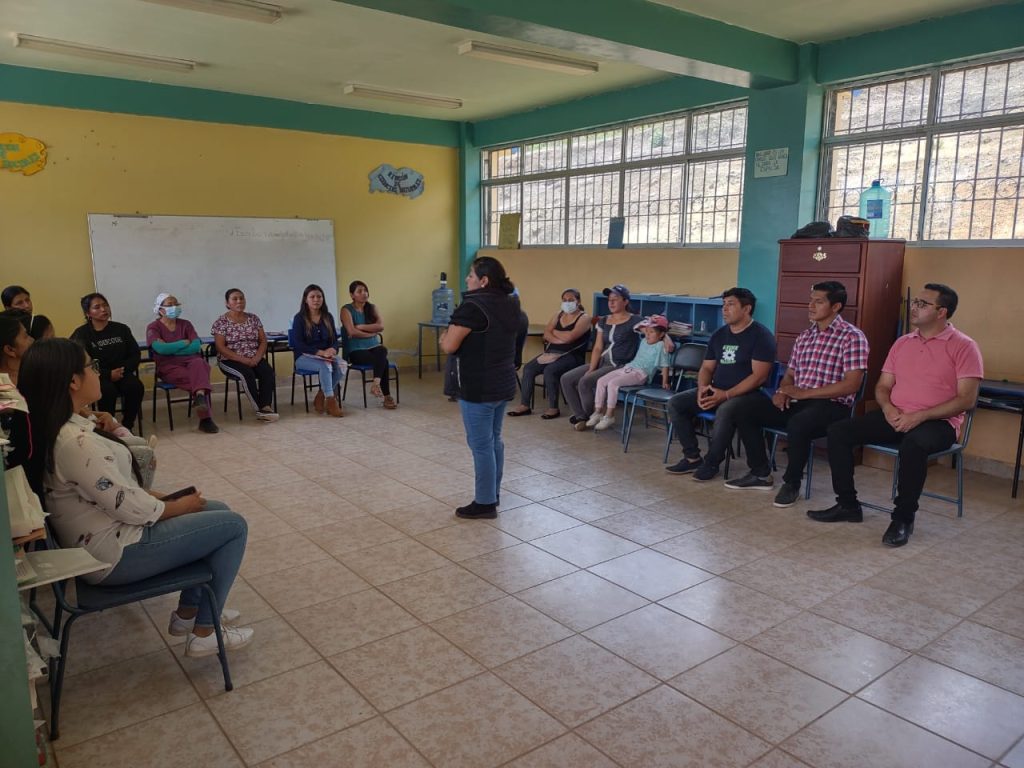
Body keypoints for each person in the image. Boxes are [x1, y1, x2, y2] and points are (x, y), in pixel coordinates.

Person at [19, 339, 253, 657]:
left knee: (217, 510)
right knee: (233, 526)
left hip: (109, 535)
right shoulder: (76, 442)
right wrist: (178, 506)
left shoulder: (70, 425)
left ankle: (188, 614)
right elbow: (132, 509)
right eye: (92, 366)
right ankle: (205, 630)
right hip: (116, 554)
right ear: (72, 381)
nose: (96, 373)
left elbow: (119, 486)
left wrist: (112, 428)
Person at [809, 283, 983, 547]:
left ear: (941, 312)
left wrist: (921, 416)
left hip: (938, 422)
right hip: (895, 414)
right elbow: (882, 387)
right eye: (915, 302)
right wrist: (888, 408)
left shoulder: (964, 347)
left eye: (923, 304)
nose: (914, 307)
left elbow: (966, 399)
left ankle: (902, 519)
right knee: (839, 431)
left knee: (914, 445)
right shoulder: (903, 342)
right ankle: (847, 505)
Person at [721, 281, 869, 506]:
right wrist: (782, 391)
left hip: (831, 405)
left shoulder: (852, 337)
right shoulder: (805, 336)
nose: (811, 305)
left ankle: (792, 483)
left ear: (836, 306)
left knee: (799, 423)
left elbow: (851, 385)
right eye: (810, 300)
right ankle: (760, 473)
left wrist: (805, 393)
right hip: (799, 400)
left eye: (818, 301)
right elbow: (790, 374)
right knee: (743, 408)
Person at [665, 287, 777, 482]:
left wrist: (725, 395)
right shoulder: (719, 334)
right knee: (676, 403)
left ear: (747, 309)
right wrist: (702, 388)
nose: (724, 309)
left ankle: (712, 463)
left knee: (727, 409)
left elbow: (759, 377)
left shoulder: (761, 335)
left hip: (750, 395)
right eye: (723, 305)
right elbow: (707, 368)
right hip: (717, 390)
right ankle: (692, 457)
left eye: (730, 305)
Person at [441, 256, 520, 520]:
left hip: (479, 386)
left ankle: (485, 502)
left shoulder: (473, 306)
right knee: (493, 440)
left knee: (481, 445)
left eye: (471, 275)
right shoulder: (511, 302)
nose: (467, 279)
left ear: (484, 280)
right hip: (503, 382)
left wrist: (444, 337)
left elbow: (450, 345)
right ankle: (493, 493)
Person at [561, 284, 642, 431]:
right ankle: (581, 416)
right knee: (567, 378)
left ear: (625, 301)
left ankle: (588, 416)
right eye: (609, 300)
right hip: (602, 362)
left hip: (619, 365)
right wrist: (591, 368)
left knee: (585, 382)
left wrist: (667, 338)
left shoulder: (635, 320)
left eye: (615, 299)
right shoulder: (603, 320)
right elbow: (598, 347)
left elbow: (657, 330)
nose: (611, 303)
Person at [508, 289, 590, 419]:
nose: (567, 303)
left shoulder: (584, 318)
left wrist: (555, 333)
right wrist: (559, 337)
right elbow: (546, 333)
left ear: (578, 301)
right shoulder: (558, 314)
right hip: (551, 353)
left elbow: (571, 337)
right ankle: (525, 405)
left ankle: (553, 408)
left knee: (550, 371)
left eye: (571, 300)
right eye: (564, 300)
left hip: (572, 356)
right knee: (529, 368)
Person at [146, 292, 219, 434]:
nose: (174, 307)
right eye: (169, 305)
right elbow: (160, 349)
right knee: (201, 378)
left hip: (191, 362)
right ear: (160, 310)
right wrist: (182, 343)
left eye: (176, 304)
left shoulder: (186, 324)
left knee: (199, 363)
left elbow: (196, 346)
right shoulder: (153, 327)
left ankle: (199, 397)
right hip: (168, 367)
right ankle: (205, 419)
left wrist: (171, 347)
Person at [71, 292, 145, 432]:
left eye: (105, 305)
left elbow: (135, 354)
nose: (103, 309)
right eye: (97, 307)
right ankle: (109, 427)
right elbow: (80, 361)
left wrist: (123, 370)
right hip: (98, 376)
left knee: (135, 387)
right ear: (88, 313)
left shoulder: (122, 329)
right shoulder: (81, 334)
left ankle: (127, 425)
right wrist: (107, 374)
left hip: (123, 372)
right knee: (107, 391)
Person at [586, 315, 674, 431]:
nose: (647, 334)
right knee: (601, 381)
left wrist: (665, 382)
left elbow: (665, 366)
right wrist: (649, 325)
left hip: (641, 374)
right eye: (646, 331)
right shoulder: (643, 341)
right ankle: (598, 412)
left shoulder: (661, 346)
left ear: (661, 334)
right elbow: (638, 327)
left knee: (613, 384)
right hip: (628, 368)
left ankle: (609, 415)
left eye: (651, 332)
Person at [212, 288, 278, 422]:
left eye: (241, 298)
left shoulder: (253, 318)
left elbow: (263, 340)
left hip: (254, 357)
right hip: (230, 359)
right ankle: (259, 410)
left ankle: (266, 406)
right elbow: (220, 347)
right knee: (247, 374)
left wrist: (257, 357)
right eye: (235, 299)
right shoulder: (221, 322)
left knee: (268, 371)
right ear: (227, 303)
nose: (239, 301)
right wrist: (243, 360)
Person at [291, 284, 346, 418]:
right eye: (312, 297)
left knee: (342, 364)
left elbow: (334, 340)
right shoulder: (299, 318)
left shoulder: (328, 317)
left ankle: (321, 395)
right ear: (306, 299)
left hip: (326, 355)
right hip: (304, 357)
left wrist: (333, 349)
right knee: (325, 365)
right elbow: (298, 344)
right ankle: (331, 401)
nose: (316, 299)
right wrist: (320, 353)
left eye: (319, 296)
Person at [340, 280, 396, 410]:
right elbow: (352, 332)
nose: (364, 293)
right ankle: (386, 396)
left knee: (382, 350)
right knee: (384, 362)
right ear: (352, 295)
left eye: (365, 290)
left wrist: (361, 326)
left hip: (374, 347)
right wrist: (371, 333)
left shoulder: (372, 308)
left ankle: (376, 384)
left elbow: (380, 326)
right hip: (355, 350)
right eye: (359, 291)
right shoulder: (346, 310)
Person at [0, 310, 33, 386]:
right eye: (25, 336)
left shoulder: (29, 372)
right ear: (10, 350)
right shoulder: (8, 388)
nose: (32, 339)